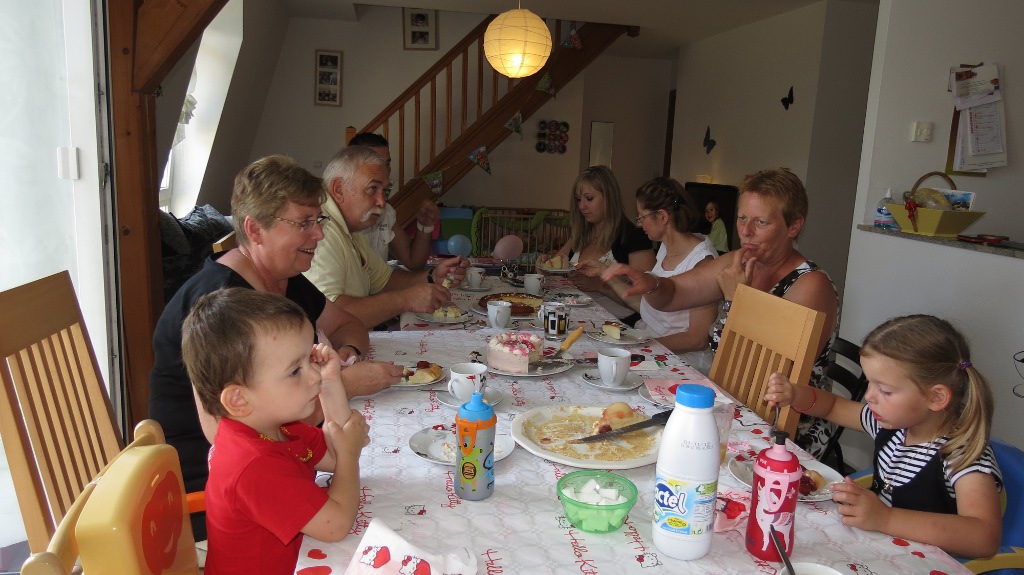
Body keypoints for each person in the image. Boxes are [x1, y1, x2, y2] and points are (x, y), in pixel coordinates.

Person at [149, 155, 402, 539]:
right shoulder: (223, 306)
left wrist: (344, 360)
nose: (319, 235)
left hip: (280, 460)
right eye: (304, 223)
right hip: (212, 496)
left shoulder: (284, 276)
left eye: (319, 220)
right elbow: (228, 433)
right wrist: (340, 385)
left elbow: (348, 324)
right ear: (255, 229)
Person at [601, 168, 839, 455]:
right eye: (742, 218)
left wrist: (736, 301)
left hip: (781, 428)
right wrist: (651, 283)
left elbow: (766, 375)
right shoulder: (740, 261)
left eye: (761, 222)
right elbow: (674, 294)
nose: (746, 231)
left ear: (794, 226)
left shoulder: (810, 285)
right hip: (732, 404)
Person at [764, 315, 1002, 558]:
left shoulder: (962, 455)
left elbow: (984, 537)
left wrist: (886, 518)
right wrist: (796, 395)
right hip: (881, 547)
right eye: (869, 383)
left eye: (885, 390)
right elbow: (833, 406)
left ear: (936, 397)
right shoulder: (892, 425)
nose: (869, 396)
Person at [181, 288, 371, 574]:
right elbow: (336, 525)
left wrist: (331, 383)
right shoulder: (252, 464)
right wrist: (349, 455)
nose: (313, 375)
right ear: (239, 400)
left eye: (309, 359)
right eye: (295, 371)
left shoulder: (276, 427)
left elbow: (332, 456)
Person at [304, 145, 468, 328]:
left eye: (384, 191)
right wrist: (406, 299)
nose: (382, 201)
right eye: (372, 188)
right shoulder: (322, 231)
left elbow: (384, 280)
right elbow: (328, 315)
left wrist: (433, 276)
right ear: (339, 190)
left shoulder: (351, 226)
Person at [576, 177, 718, 356]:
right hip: (652, 343)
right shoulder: (666, 248)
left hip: (682, 359)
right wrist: (604, 272)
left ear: (662, 216)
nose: (638, 223)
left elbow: (697, 339)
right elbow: (648, 306)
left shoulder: (703, 262)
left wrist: (641, 346)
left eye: (642, 217)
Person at [537, 165, 655, 322]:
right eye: (579, 199)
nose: (582, 206)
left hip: (619, 326)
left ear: (609, 197)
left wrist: (600, 286)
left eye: (589, 198)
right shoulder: (580, 235)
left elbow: (648, 304)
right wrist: (544, 270)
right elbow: (554, 271)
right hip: (577, 321)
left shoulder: (634, 237)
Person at [350, 132, 439, 270]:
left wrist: (425, 226)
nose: (385, 170)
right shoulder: (337, 216)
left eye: (387, 163)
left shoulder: (386, 211)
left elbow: (413, 262)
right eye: (376, 163)